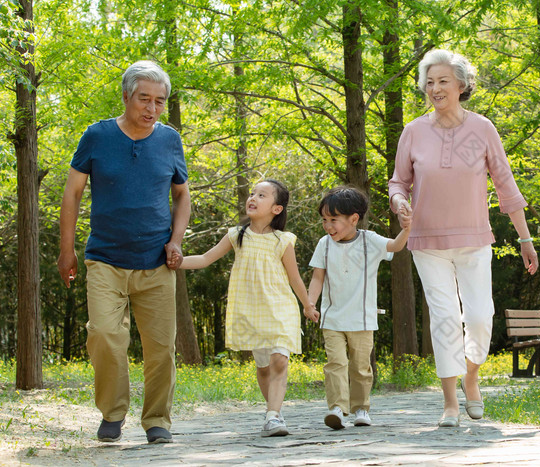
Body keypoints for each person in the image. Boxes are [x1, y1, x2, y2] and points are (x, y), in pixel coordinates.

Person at [388, 49, 538, 427]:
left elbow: (505, 185)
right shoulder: (414, 132)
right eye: (429, 82)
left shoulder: (480, 130)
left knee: (479, 316)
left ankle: (472, 374)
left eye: (442, 81)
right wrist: (398, 201)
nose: (434, 88)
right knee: (444, 320)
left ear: (462, 85)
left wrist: (525, 239)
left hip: (473, 240)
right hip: (427, 242)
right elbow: (399, 181)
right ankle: (450, 401)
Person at [57, 61, 191, 444]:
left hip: (156, 261)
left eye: (160, 102)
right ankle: (113, 414)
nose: (151, 109)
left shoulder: (169, 140)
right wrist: (66, 251)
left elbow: (182, 195)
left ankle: (157, 420)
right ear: (126, 96)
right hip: (105, 259)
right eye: (144, 99)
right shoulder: (97, 136)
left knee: (162, 348)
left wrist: (176, 239)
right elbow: (73, 193)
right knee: (103, 335)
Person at [173, 179, 316, 437]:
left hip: (280, 307)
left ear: (277, 209)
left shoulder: (283, 241)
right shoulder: (236, 236)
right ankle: (273, 410)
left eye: (262, 195)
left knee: (279, 360)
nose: (253, 198)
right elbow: (205, 259)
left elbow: (295, 278)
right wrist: (177, 262)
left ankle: (273, 416)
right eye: (253, 193)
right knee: (263, 367)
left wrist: (307, 305)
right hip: (252, 311)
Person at [306, 186, 412, 430]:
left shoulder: (370, 240)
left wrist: (406, 228)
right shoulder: (324, 244)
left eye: (334, 220)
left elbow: (395, 247)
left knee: (360, 367)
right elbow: (317, 277)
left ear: (354, 219)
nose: (328, 225)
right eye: (324, 220)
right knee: (335, 363)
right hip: (331, 318)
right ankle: (337, 409)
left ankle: (361, 409)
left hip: (362, 320)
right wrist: (310, 303)